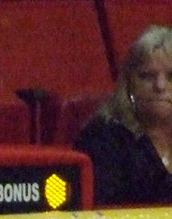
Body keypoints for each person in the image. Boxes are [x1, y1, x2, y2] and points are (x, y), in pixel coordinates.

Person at [74, 24, 172, 206]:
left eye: (171, 77)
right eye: (147, 76)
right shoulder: (103, 138)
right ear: (128, 84)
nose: (160, 86)